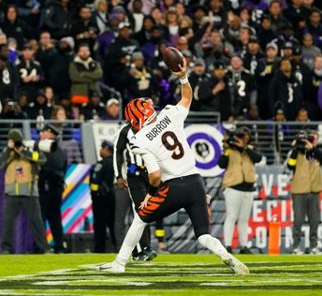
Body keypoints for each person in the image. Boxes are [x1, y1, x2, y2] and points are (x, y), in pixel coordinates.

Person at [98, 58, 249, 275]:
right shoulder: (170, 114)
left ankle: (119, 263)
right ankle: (225, 254)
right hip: (196, 183)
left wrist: (151, 194)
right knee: (203, 235)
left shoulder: (139, 139)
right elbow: (187, 97)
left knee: (140, 218)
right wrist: (183, 76)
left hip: (173, 186)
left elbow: (155, 175)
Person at [0, 129, 49, 254]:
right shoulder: (7, 153)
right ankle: (6, 248)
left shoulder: (29, 149)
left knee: (36, 222)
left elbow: (42, 160)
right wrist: (9, 151)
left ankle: (44, 247)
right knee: (8, 222)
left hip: (29, 191)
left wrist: (23, 152)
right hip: (12, 192)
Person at [113, 121, 158, 260]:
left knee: (148, 210)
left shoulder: (154, 127)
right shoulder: (126, 130)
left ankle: (144, 248)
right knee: (141, 210)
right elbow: (117, 151)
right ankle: (141, 249)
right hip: (135, 174)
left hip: (151, 172)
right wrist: (118, 175)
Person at [219, 127, 262, 254]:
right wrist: (227, 148)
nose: (245, 138)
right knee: (232, 217)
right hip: (233, 187)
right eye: (242, 136)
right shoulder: (230, 150)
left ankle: (244, 246)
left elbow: (258, 158)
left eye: (246, 136)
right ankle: (228, 246)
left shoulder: (250, 149)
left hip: (248, 188)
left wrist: (244, 147)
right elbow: (221, 163)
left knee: (244, 219)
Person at [287, 130, 322, 255]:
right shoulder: (296, 152)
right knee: (298, 220)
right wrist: (295, 148)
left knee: (314, 221)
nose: (311, 141)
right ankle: (296, 247)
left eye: (313, 139)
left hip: (314, 190)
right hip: (299, 190)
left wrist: (312, 149)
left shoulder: (317, 152)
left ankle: (314, 247)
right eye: (310, 139)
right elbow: (289, 165)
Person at [38, 124, 67, 254]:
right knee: (55, 218)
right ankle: (59, 245)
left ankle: (42, 246)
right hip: (57, 187)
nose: (41, 134)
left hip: (45, 187)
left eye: (44, 132)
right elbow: (63, 169)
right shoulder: (61, 151)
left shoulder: (44, 150)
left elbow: (43, 168)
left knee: (41, 217)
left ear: (50, 135)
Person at [90, 140, 117, 253]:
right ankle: (117, 247)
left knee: (100, 225)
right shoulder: (116, 163)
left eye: (102, 148)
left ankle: (99, 249)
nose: (100, 150)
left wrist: (95, 194)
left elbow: (94, 182)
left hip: (101, 199)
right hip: (114, 197)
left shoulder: (101, 164)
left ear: (106, 150)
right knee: (113, 224)